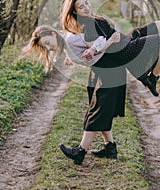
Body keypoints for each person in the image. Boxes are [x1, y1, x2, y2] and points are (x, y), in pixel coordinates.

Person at [57, 0, 160, 165]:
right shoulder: (87, 24)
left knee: (156, 25)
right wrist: (98, 47)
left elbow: (83, 43)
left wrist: (89, 49)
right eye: (81, 7)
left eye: (87, 3)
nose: (87, 8)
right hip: (123, 51)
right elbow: (95, 45)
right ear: (74, 11)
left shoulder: (88, 21)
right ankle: (151, 78)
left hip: (123, 45)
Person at [20, 25, 127, 164]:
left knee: (97, 111)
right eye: (45, 47)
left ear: (53, 34)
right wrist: (70, 57)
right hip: (100, 70)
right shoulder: (67, 44)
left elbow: (98, 40)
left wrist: (110, 41)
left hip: (109, 69)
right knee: (97, 109)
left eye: (47, 43)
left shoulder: (70, 39)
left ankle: (81, 151)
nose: (48, 48)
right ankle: (110, 147)